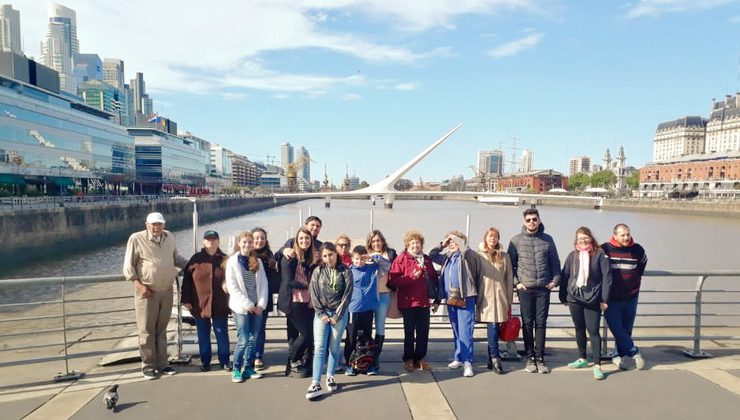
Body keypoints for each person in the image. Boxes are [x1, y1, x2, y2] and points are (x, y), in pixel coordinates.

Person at [123, 212, 187, 380]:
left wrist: (193, 264)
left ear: (164, 225)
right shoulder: (136, 239)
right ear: (147, 224)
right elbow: (128, 267)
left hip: (166, 290)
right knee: (146, 331)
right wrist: (139, 286)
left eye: (159, 224)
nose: (156, 227)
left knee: (162, 329)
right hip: (147, 292)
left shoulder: (170, 237)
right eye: (153, 224)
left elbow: (175, 258)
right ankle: (148, 365)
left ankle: (163, 364)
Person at [507, 208, 560, 374]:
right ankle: (530, 357)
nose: (532, 222)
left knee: (541, 323)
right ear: (524, 222)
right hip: (526, 289)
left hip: (543, 288)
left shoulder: (548, 240)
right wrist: (517, 283)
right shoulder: (515, 241)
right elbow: (510, 265)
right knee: (528, 323)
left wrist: (554, 282)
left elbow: (555, 264)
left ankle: (540, 358)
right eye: (529, 220)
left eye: (534, 219)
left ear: (539, 220)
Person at [559, 227, 612, 380]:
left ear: (591, 239)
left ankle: (597, 364)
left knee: (593, 330)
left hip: (593, 299)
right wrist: (563, 296)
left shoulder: (599, 254)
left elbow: (607, 278)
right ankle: (582, 358)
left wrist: (604, 299)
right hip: (574, 297)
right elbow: (565, 276)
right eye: (580, 238)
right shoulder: (572, 255)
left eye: (585, 238)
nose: (582, 241)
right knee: (579, 328)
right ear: (576, 241)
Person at [305, 243, 354, 400]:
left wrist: (337, 315)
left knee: (334, 346)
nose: (328, 259)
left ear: (336, 254)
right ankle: (315, 382)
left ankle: (330, 376)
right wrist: (321, 314)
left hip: (338, 314)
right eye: (325, 256)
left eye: (330, 255)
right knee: (319, 347)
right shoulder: (318, 271)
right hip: (322, 314)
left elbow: (347, 294)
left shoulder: (346, 271)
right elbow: (314, 293)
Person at [430, 232, 481, 378]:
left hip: (465, 298)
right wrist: (443, 243)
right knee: (457, 330)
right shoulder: (447, 258)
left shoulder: (466, 257)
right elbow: (432, 255)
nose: (452, 244)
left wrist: (458, 238)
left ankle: (468, 362)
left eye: (454, 242)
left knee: (466, 331)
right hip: (451, 299)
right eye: (450, 242)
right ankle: (458, 357)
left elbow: (466, 248)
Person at [388, 230, 439, 372]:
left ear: (422, 245)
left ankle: (420, 359)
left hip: (424, 302)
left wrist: (437, 300)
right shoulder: (401, 259)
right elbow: (393, 280)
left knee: (423, 332)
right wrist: (411, 277)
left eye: (418, 242)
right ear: (407, 245)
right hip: (408, 302)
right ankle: (409, 359)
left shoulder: (427, 259)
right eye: (412, 243)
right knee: (409, 332)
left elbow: (434, 279)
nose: (415, 245)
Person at [181, 230, 231, 372]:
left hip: (220, 303)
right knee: (203, 334)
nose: (211, 241)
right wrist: (185, 299)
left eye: (214, 239)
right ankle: (205, 361)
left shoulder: (225, 259)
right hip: (199, 303)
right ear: (203, 242)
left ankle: (225, 360)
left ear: (218, 241)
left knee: (221, 333)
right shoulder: (196, 259)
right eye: (208, 239)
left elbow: (233, 278)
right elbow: (187, 281)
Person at [601, 223, 648, 370]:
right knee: (616, 328)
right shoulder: (605, 249)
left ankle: (618, 354)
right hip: (611, 297)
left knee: (627, 328)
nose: (626, 237)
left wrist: (633, 281)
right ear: (615, 236)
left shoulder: (637, 250)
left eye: (628, 234)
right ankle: (634, 351)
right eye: (622, 235)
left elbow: (642, 264)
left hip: (631, 296)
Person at [225, 231, 269, 383]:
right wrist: (249, 305)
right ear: (239, 243)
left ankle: (247, 367)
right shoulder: (232, 262)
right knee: (243, 339)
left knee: (253, 338)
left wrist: (261, 304)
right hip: (241, 308)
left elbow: (263, 284)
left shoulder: (257, 262)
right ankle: (236, 368)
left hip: (257, 307)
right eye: (244, 242)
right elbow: (232, 287)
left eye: (250, 242)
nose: (247, 245)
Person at [278, 227, 317, 377]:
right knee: (306, 334)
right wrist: (309, 286)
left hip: (305, 301)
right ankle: (292, 360)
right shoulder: (290, 257)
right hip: (292, 301)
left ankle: (295, 364)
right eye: (301, 238)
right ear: (296, 240)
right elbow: (289, 281)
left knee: (300, 334)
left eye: (307, 238)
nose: (304, 241)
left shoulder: (309, 257)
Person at [344, 245, 390, 376]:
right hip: (353, 310)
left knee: (367, 339)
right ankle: (350, 364)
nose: (359, 262)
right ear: (352, 258)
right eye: (357, 259)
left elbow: (387, 265)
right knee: (351, 338)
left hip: (368, 309)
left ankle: (367, 364)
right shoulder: (348, 270)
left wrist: (373, 257)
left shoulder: (373, 268)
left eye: (362, 259)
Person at [476, 227, 514, 374]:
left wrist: (509, 298)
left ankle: (490, 358)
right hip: (485, 295)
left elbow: (509, 278)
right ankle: (495, 357)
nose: (493, 239)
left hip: (500, 295)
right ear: (485, 238)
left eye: (496, 237)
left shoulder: (504, 256)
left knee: (495, 326)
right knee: (492, 325)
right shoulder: (479, 256)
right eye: (490, 236)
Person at [366, 230, 398, 372]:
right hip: (368, 296)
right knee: (365, 327)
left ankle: (375, 359)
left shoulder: (390, 254)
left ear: (383, 241)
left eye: (378, 240)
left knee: (380, 326)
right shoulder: (365, 255)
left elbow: (395, 267)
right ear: (370, 243)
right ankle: (364, 356)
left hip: (384, 295)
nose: (376, 243)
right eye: (373, 241)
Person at [251, 227, 281, 371]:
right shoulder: (244, 254)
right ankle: (247, 355)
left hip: (263, 298)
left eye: (262, 237)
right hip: (247, 298)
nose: (259, 240)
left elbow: (273, 279)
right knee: (246, 329)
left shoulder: (270, 257)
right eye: (256, 237)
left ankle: (257, 355)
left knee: (259, 329)